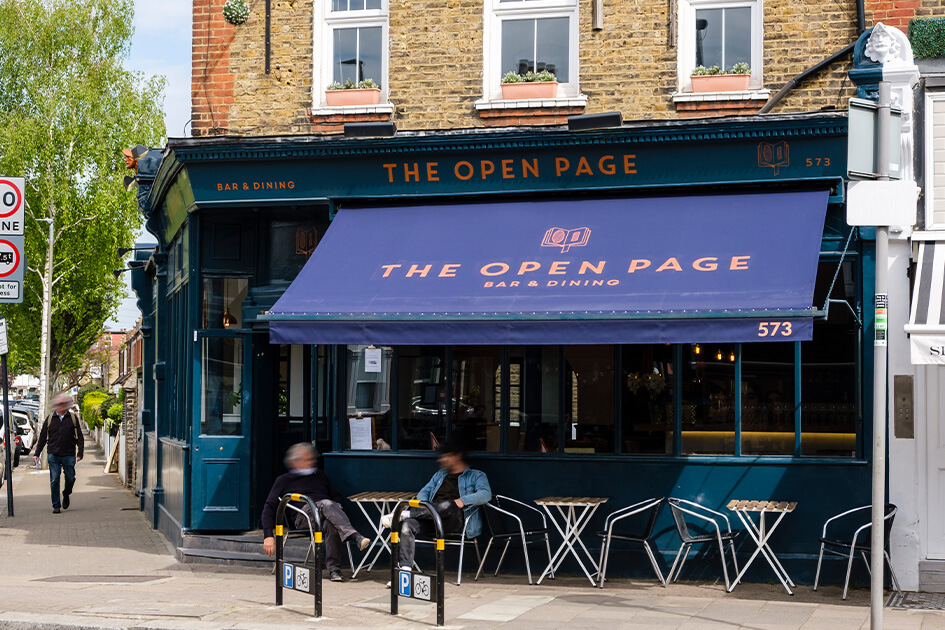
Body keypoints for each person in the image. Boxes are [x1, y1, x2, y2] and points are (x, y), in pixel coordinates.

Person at [261, 442, 370, 582]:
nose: (312, 461)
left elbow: (336, 496)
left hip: (325, 514)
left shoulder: (320, 476)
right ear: (296, 462)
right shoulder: (284, 480)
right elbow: (269, 506)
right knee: (326, 503)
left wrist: (335, 510)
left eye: (312, 458)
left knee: (332, 524)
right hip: (303, 517)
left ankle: (334, 570)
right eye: (307, 459)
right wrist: (268, 535)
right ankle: (354, 536)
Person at [384, 438, 492, 572]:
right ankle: (405, 570)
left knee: (448, 504)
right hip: (431, 517)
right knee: (408, 525)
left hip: (455, 522)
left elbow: (486, 494)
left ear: (456, 456)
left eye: (445, 456)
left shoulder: (476, 476)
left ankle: (404, 514)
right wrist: (425, 506)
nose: (441, 460)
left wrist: (461, 501)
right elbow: (424, 492)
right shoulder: (440, 475)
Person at [32, 393, 84, 514]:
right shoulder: (50, 419)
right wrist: (37, 453)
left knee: (70, 478)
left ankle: (66, 493)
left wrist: (80, 452)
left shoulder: (72, 418)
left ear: (66, 405)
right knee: (54, 480)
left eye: (61, 404)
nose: (59, 406)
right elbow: (43, 437)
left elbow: (79, 437)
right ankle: (56, 505)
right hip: (53, 454)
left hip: (69, 454)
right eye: (57, 404)